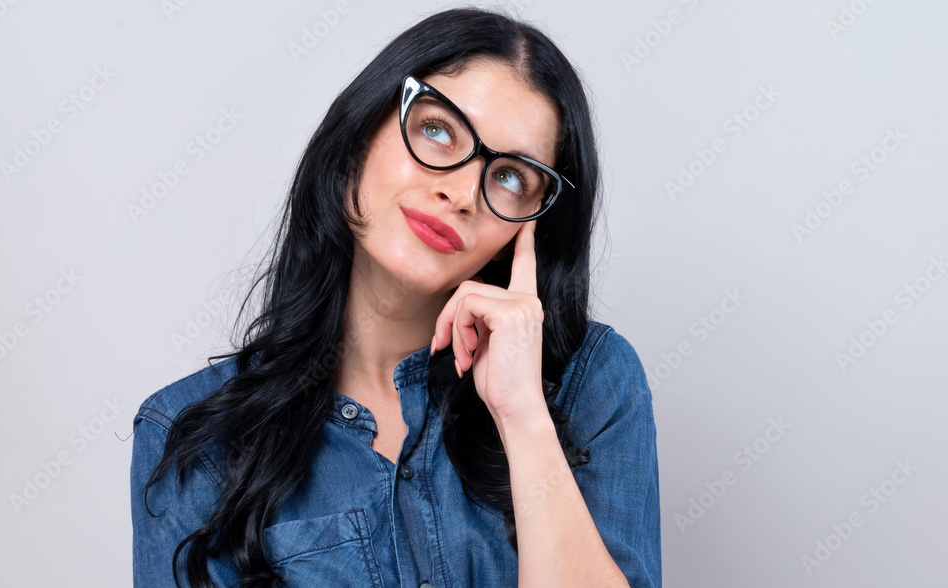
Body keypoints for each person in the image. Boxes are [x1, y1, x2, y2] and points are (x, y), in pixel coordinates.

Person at [130, 6, 661, 587]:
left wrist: (523, 415)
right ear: (359, 138)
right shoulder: (194, 436)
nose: (461, 193)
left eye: (511, 177)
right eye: (437, 129)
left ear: (528, 227)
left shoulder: (593, 384)